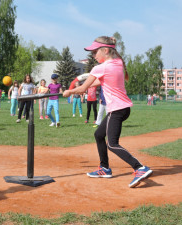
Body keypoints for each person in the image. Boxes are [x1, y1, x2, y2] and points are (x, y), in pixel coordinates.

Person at [63, 36, 152, 188]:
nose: (93, 55)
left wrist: (70, 92)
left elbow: (84, 88)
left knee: (112, 144)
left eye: (94, 52)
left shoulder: (101, 68)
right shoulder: (117, 63)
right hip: (123, 108)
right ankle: (104, 168)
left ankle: (140, 168)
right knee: (99, 135)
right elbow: (100, 81)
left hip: (116, 109)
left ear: (105, 50)